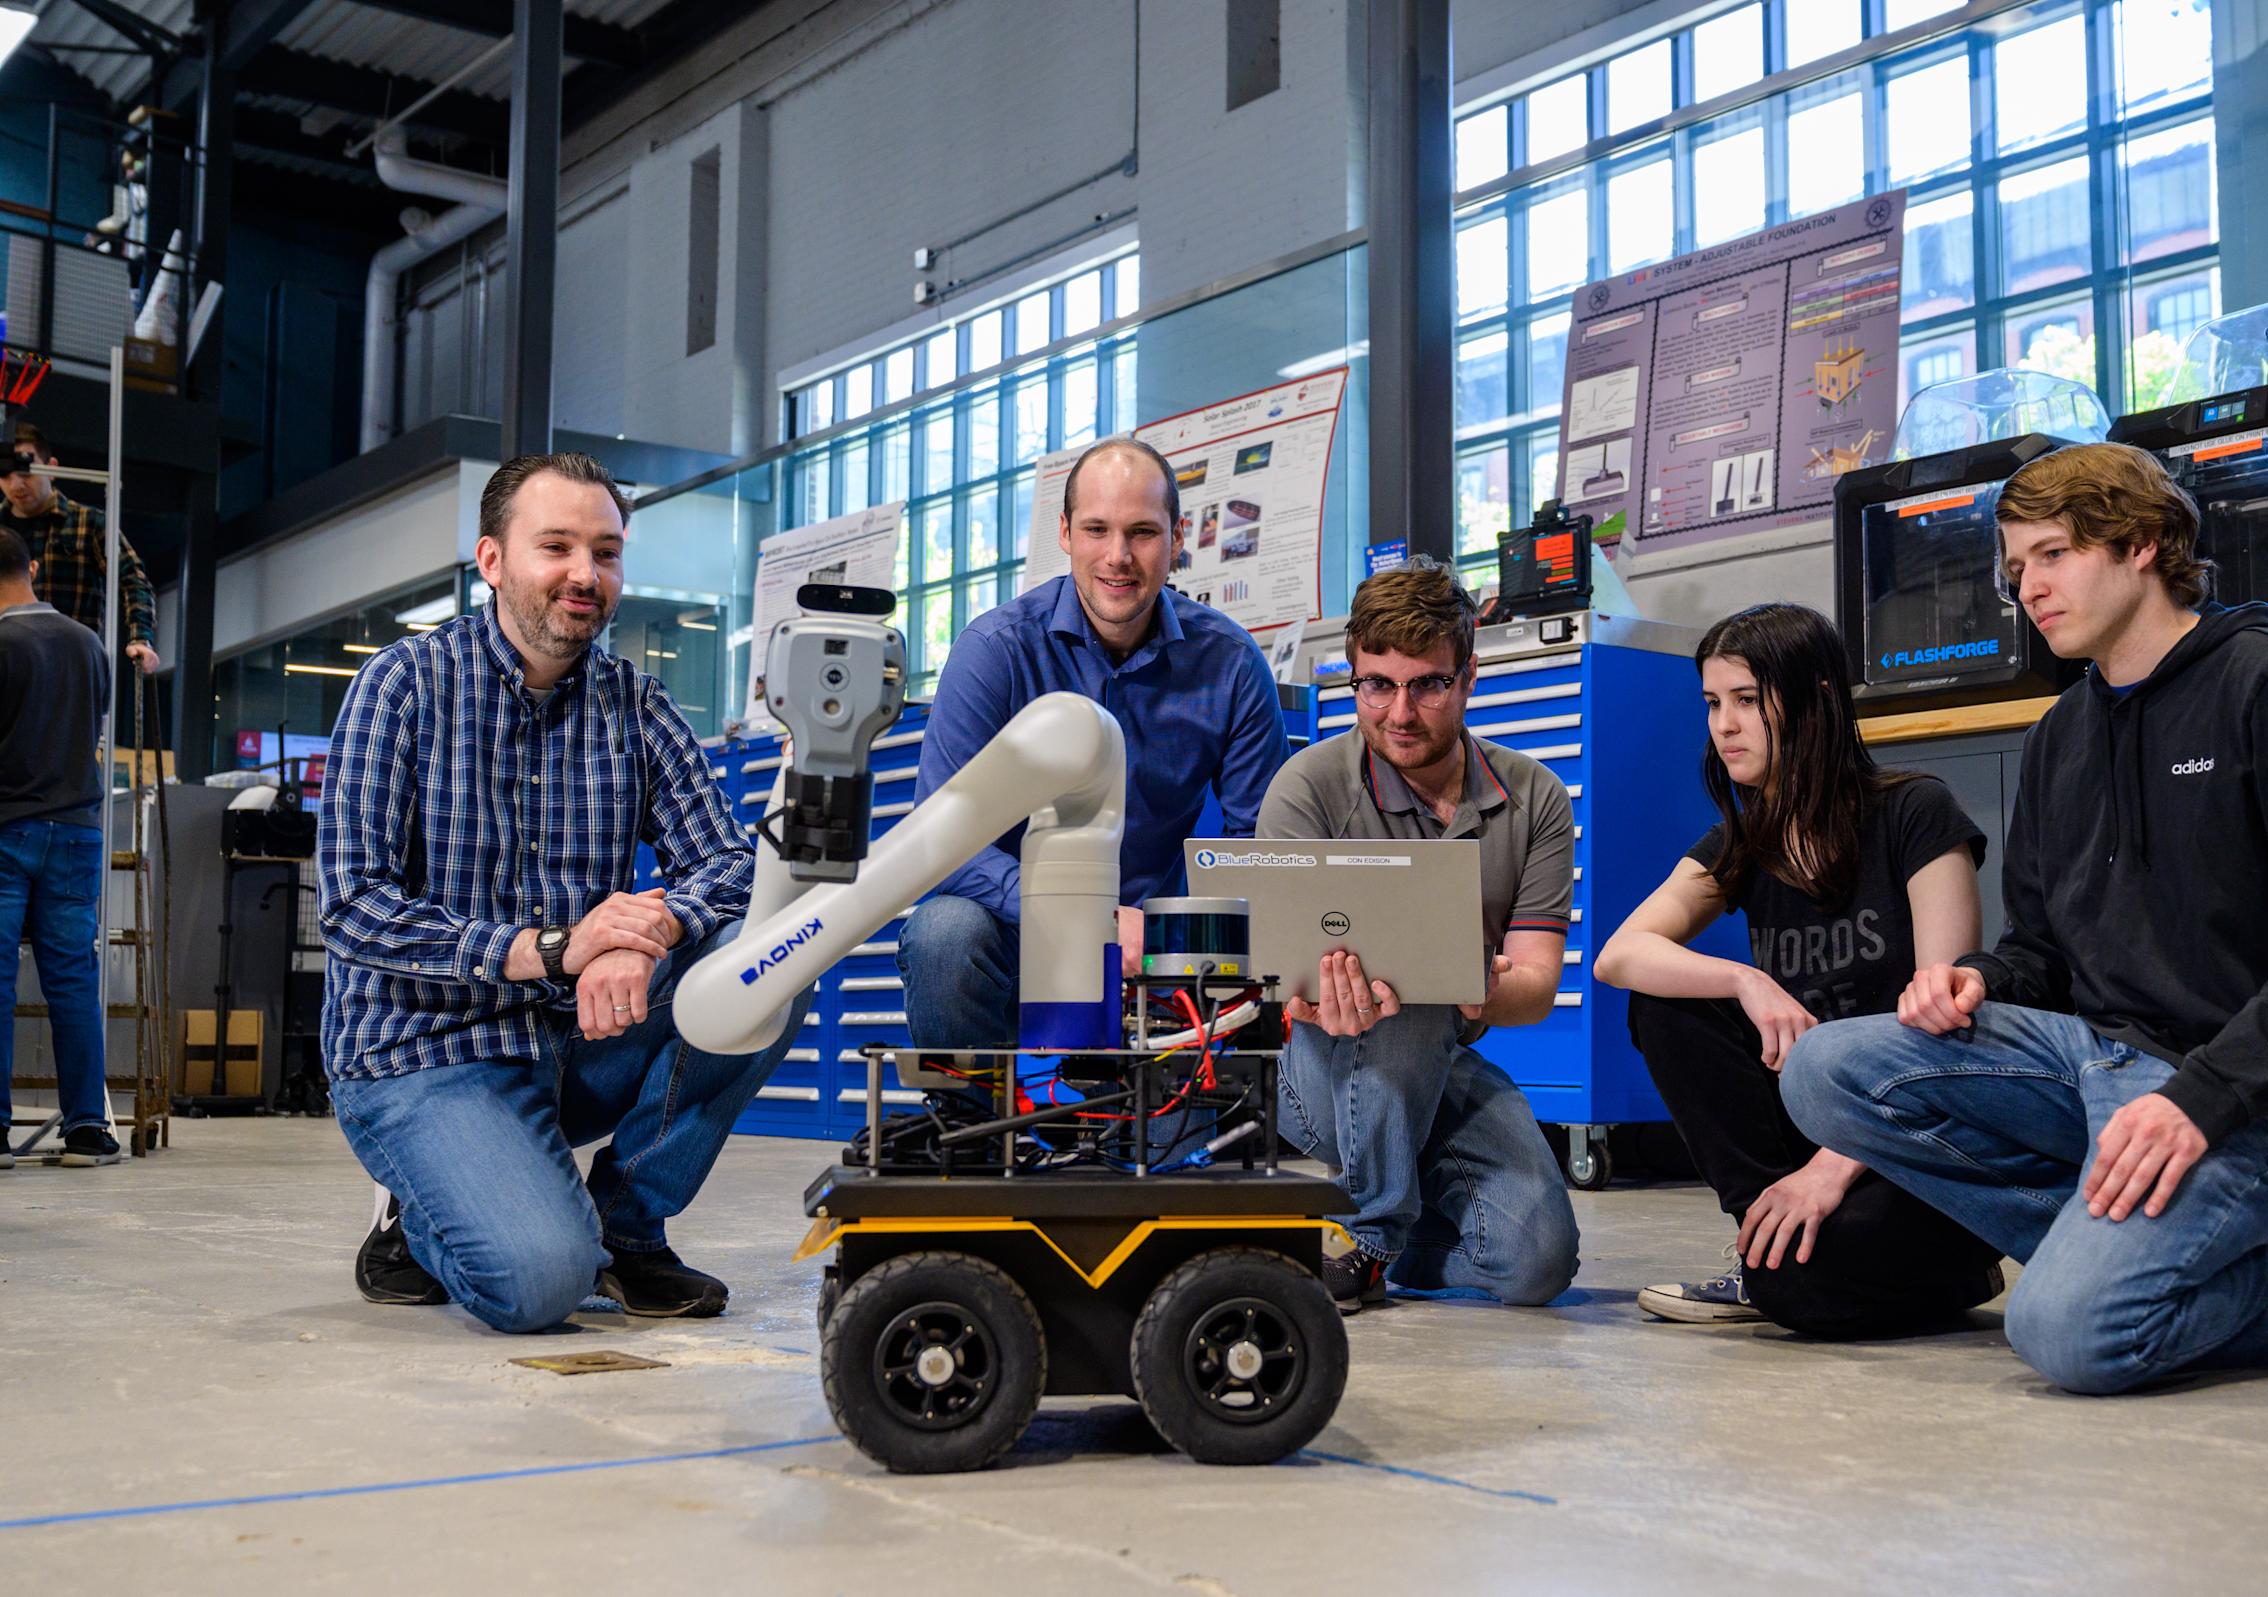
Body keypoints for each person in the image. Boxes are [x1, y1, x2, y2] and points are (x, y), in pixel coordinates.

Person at [1782, 442, 2268, 1390]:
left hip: (2257, 1104)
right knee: (1824, 1071)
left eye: (2053, 555)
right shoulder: (2060, 733)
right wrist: (1980, 976)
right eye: (2016, 566)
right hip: (2095, 1065)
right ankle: (2175, 1248)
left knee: (2067, 1335)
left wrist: (2199, 1102)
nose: (2027, 587)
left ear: (2144, 543)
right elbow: (2042, 948)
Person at [318, 452, 803, 1334]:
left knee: (768, 962)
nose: (586, 574)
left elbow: (732, 866)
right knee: (540, 1284)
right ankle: (417, 1209)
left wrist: (645, 925)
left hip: (576, 1035)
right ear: (492, 561)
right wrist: (550, 947)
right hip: (427, 1053)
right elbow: (354, 905)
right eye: (557, 547)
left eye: (607, 552)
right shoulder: (404, 686)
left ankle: (626, 1228)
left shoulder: (636, 704)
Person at [1595, 603, 2004, 1335]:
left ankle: (1933, 1263)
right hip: (1808, 1131)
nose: (1724, 725)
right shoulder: (1746, 840)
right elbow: (1619, 955)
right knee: (1662, 1002)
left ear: (1815, 697)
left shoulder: (1916, 812)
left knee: (1802, 1292)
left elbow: (1945, 1032)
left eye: (1748, 701)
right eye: (1714, 704)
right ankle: (1763, 1237)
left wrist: (1833, 1167)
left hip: (1915, 1140)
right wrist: (1744, 980)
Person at [1257, 558, 1580, 1313]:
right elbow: (1275, 981)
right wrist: (1316, 1001)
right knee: (1416, 981)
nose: (1399, 711)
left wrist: (1473, 979)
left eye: (1428, 684)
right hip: (1313, 1073)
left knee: (1537, 1263)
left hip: (1435, 1057)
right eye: (1377, 685)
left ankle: (1359, 1243)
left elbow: (1534, 987)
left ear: (1469, 677)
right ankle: (1370, 1232)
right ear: (1354, 680)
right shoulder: (1307, 788)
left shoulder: (1534, 798)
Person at [897, 438, 1288, 1048]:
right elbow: (942, 840)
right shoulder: (995, 652)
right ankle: (972, 1131)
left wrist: (1174, 933)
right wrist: (1086, 920)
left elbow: (1257, 848)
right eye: (1097, 529)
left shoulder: (1231, 664)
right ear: (1065, 532)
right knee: (944, 936)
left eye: (1142, 532)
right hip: (1017, 928)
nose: (1118, 557)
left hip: (1153, 944)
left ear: (1178, 535)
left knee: (1160, 1140)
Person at [0, 527, 116, 1168]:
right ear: (34, 569)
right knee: (73, 983)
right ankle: (87, 1130)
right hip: (77, 830)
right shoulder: (87, 642)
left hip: (8, 828)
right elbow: (93, 728)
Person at [2, 422, 160, 674]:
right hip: (10, 671)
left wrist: (140, 638)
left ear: (51, 468)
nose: (16, 485)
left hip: (71, 671)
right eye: (5, 474)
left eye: (26, 472)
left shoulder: (90, 524)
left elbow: (133, 579)